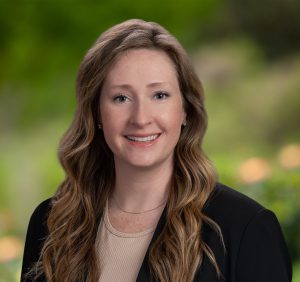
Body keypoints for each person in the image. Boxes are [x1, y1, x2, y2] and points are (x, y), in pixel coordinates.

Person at [21, 19, 292, 282]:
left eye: (159, 95)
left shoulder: (244, 228)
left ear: (185, 109)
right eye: (121, 98)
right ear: (96, 112)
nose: (140, 118)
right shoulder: (51, 224)